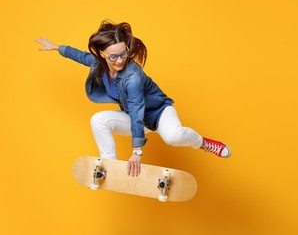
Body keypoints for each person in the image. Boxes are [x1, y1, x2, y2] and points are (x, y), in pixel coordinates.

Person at [35, 20, 231, 177]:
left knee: (174, 137)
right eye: (113, 57)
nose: (119, 60)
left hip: (158, 112)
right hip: (134, 117)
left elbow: (138, 110)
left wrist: (137, 152)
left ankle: (203, 143)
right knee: (97, 120)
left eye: (123, 54)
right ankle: (109, 164)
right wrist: (56, 47)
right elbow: (79, 55)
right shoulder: (98, 64)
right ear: (102, 55)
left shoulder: (133, 76)